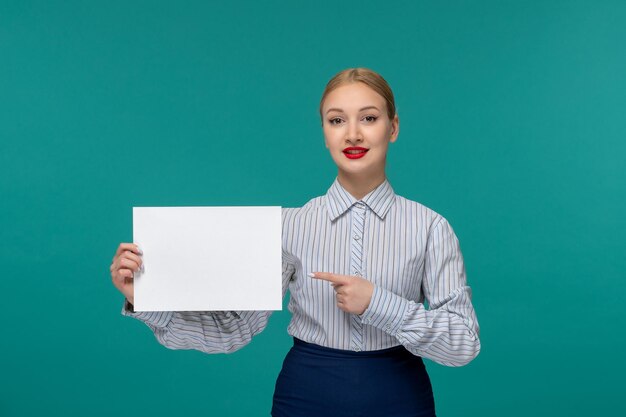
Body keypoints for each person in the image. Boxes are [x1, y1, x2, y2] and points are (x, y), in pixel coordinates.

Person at [110, 68, 481, 417]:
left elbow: (464, 343)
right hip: (306, 396)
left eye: (369, 118)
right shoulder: (288, 226)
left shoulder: (431, 227)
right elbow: (232, 330)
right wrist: (144, 298)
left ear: (393, 127)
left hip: (399, 397)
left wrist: (379, 304)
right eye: (337, 120)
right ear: (324, 130)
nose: (352, 134)